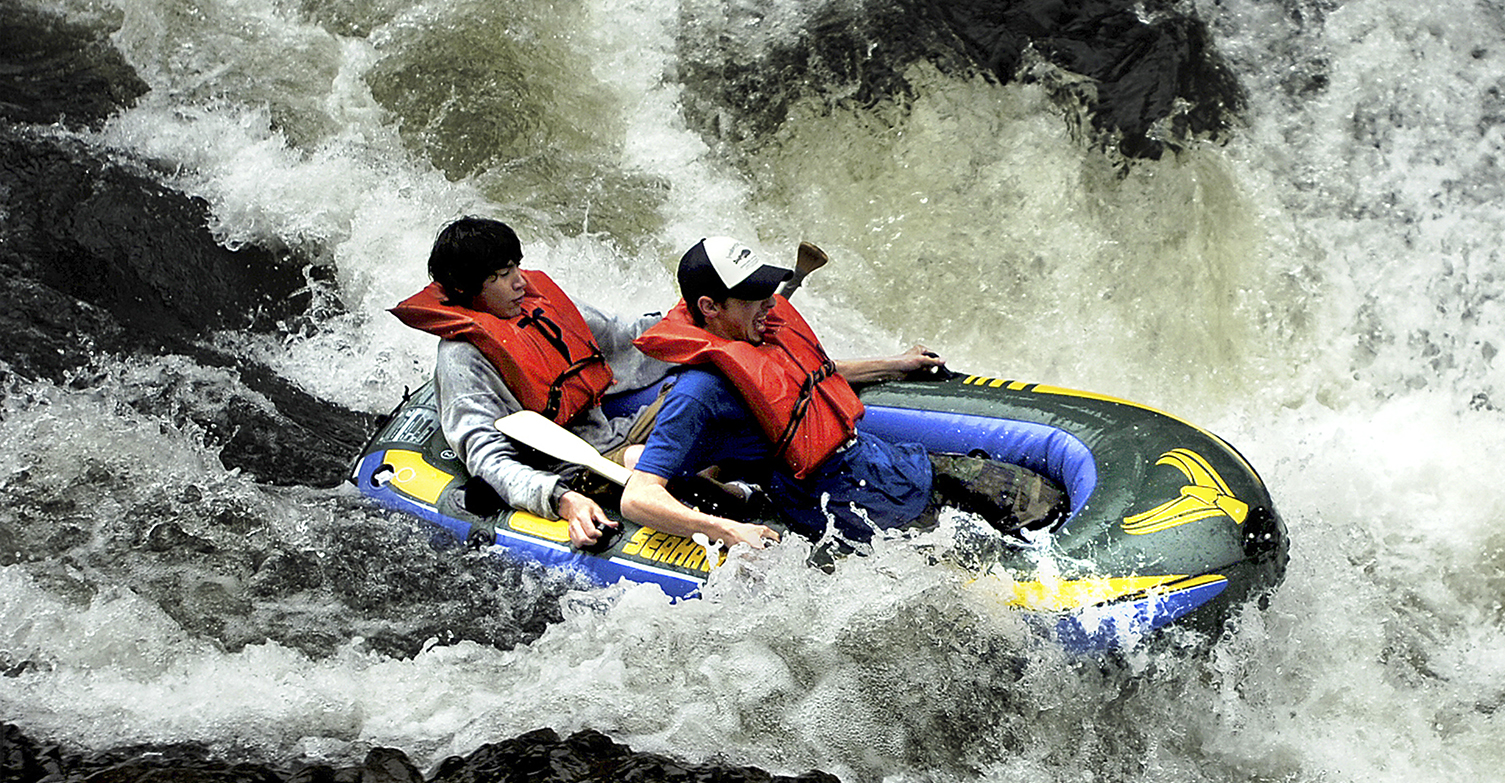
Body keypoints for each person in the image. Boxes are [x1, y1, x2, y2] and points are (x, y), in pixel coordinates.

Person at [619, 236, 1066, 551]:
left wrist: (898, 363)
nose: (771, 304)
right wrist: (727, 531)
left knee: (1043, 498)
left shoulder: (754, 338)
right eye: (754, 295)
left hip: (893, 470)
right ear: (710, 307)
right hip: (856, 511)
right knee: (1014, 549)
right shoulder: (696, 394)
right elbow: (637, 497)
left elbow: (811, 378)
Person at [390, 217, 669, 549]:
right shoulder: (462, 360)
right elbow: (486, 456)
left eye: (515, 268)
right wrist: (561, 499)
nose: (520, 282)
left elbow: (627, 339)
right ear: (466, 288)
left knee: (704, 395)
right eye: (504, 275)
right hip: (574, 467)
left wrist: (705, 331)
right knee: (649, 457)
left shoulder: (536, 307)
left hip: (615, 431)